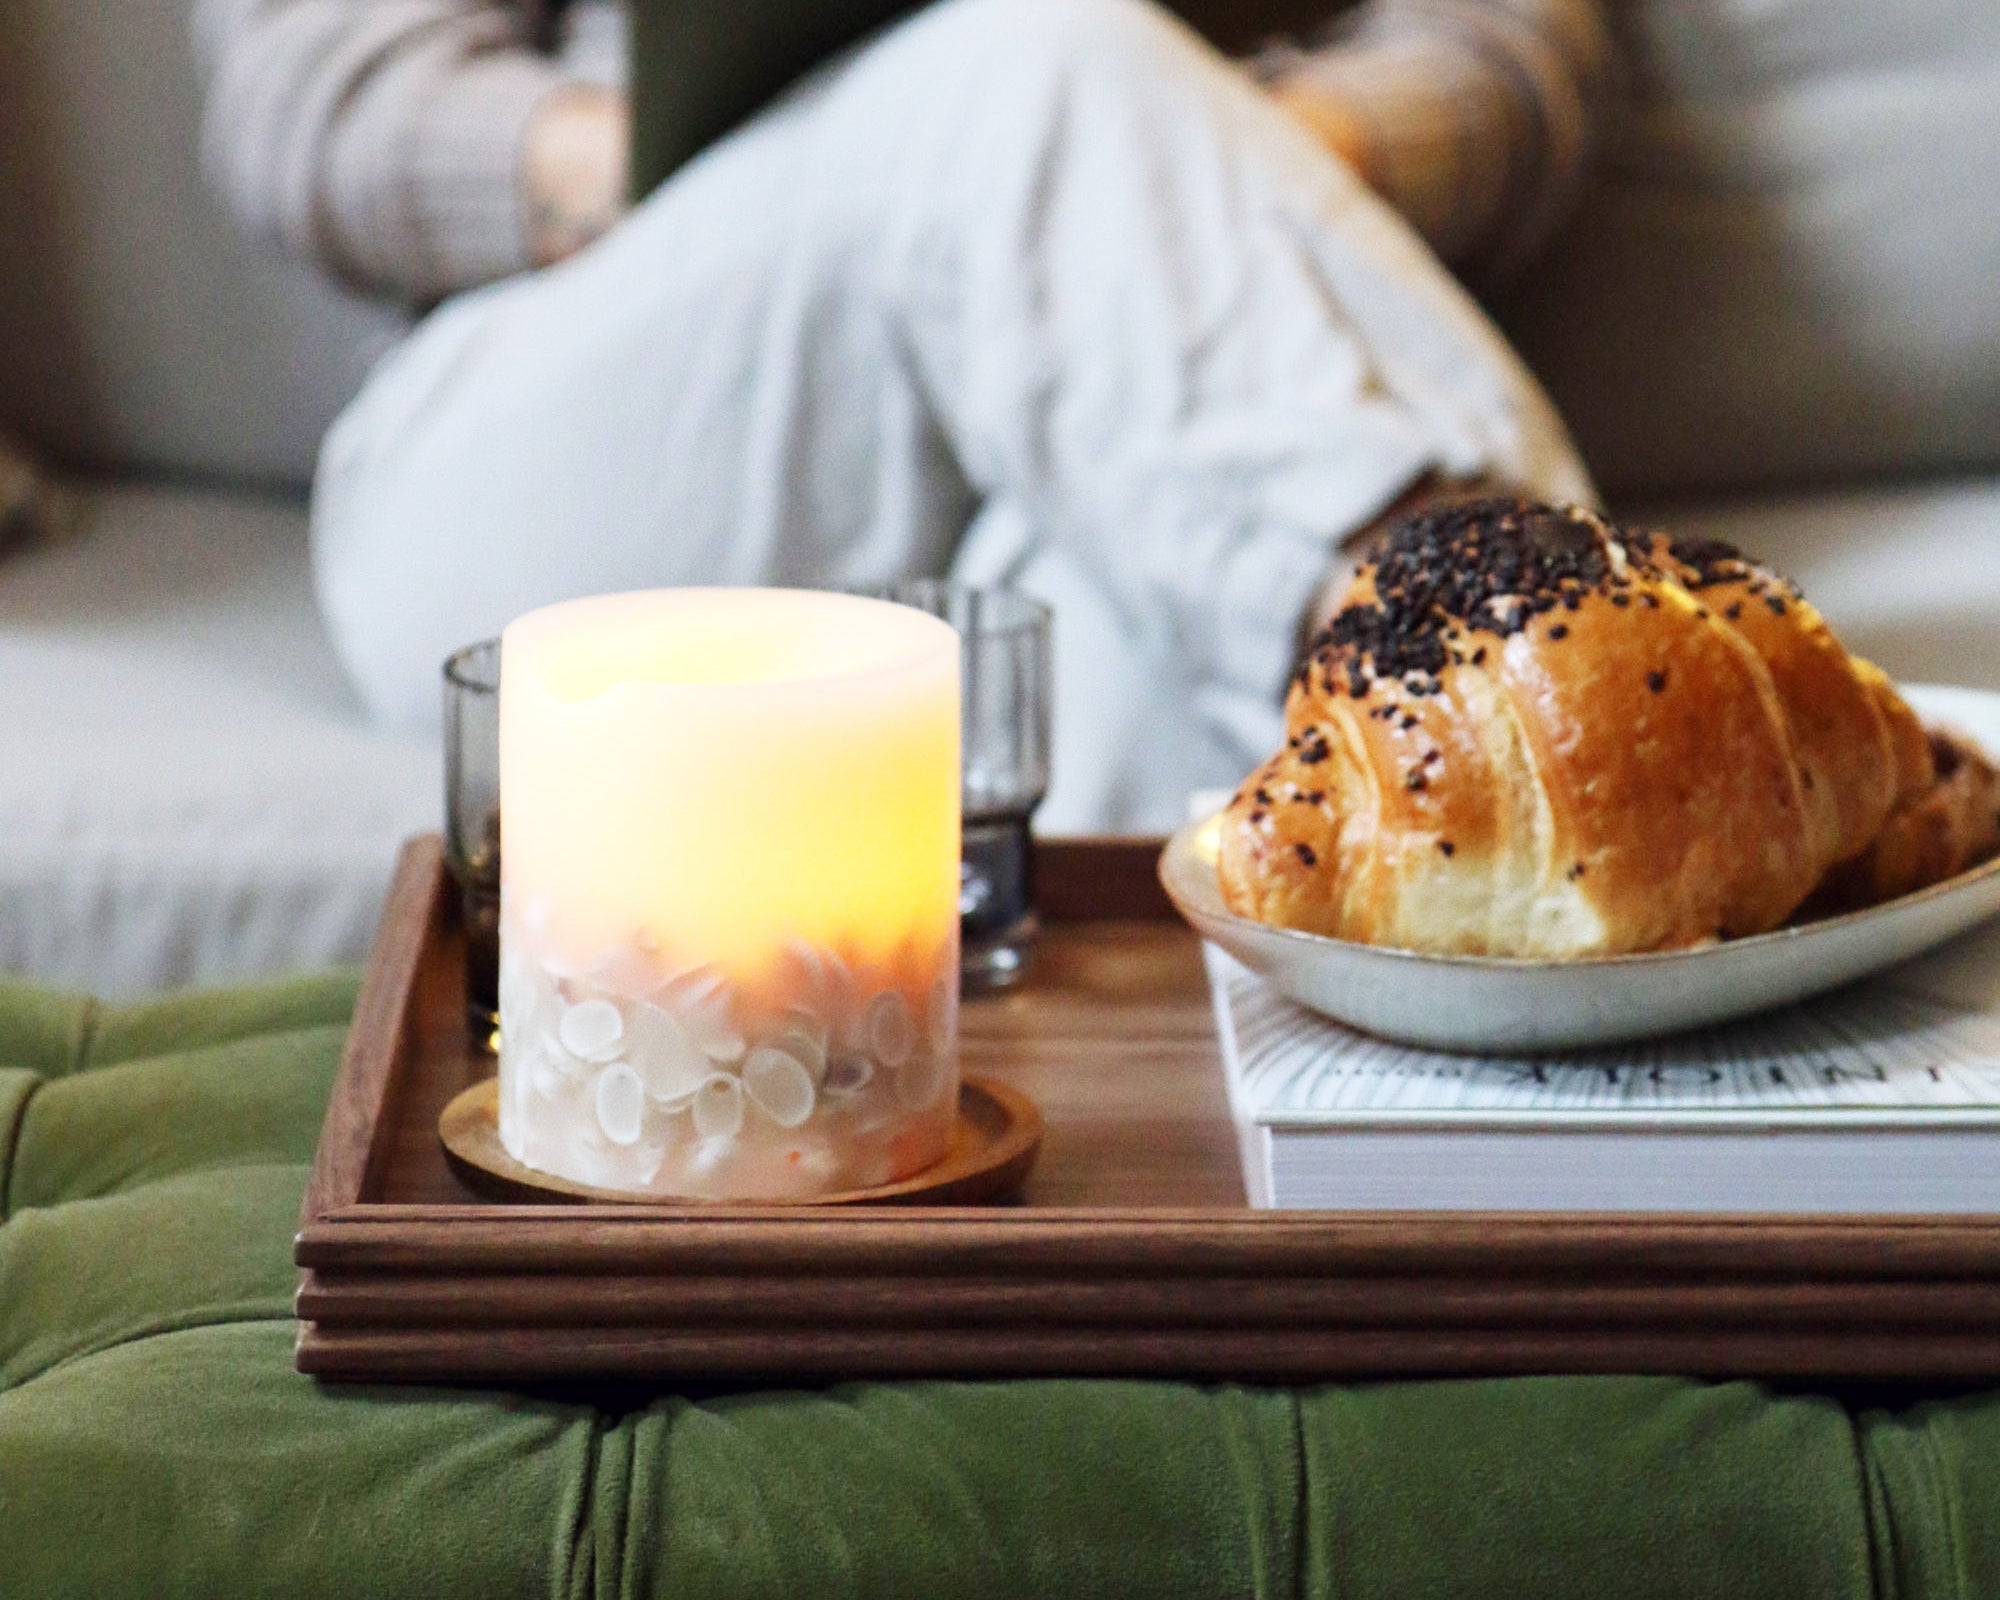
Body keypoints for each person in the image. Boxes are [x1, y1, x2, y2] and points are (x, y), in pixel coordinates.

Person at [195, 0, 1610, 830]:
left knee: (1126, 683)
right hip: (581, 425)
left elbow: (1511, 53)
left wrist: (1160, 178)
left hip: (1140, 415)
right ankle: (1560, 728)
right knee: (1030, 54)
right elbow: (319, 98)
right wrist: (944, 136)